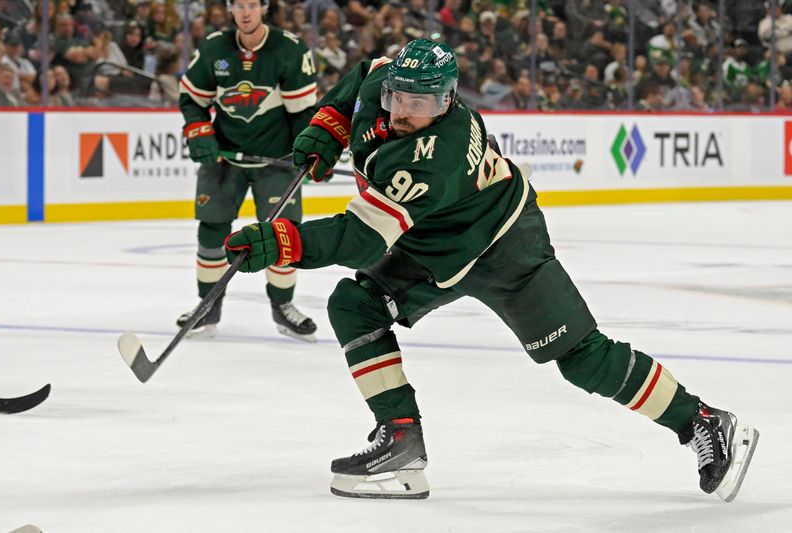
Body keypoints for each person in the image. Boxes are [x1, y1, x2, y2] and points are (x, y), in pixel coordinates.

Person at [223, 39, 759, 500]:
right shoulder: (386, 82)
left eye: (422, 102)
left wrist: (280, 241)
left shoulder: (437, 151)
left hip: (505, 244)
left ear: (448, 99)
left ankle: (702, 421)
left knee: (580, 357)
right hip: (432, 245)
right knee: (354, 303)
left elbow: (361, 238)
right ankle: (401, 442)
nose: (405, 110)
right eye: (399, 98)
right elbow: (365, 71)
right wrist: (330, 122)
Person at [177, 0, 319, 341]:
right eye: (238, 5)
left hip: (276, 160)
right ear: (230, 8)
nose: (245, 12)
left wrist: (309, 149)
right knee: (211, 231)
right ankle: (206, 307)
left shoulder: (289, 49)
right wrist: (199, 131)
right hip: (224, 159)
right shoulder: (214, 48)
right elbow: (192, 99)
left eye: (252, 5)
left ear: (264, 8)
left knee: (283, 234)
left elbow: (303, 113)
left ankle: (283, 306)